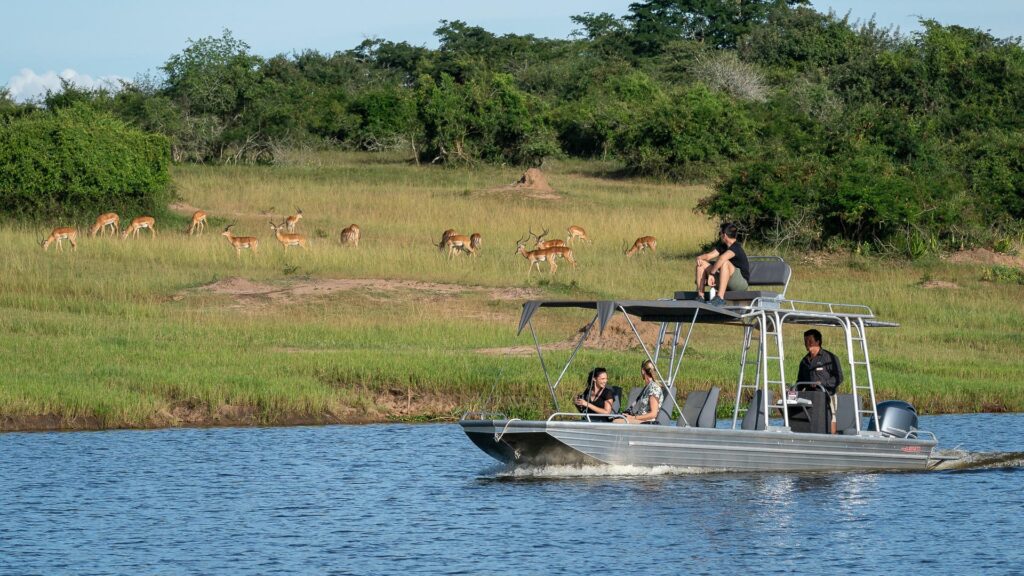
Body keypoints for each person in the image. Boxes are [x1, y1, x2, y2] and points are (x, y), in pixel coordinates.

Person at [796, 329, 844, 433]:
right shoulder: (804, 361)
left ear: (818, 342)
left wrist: (822, 384)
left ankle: (831, 441)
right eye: (805, 341)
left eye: (810, 341)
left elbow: (839, 377)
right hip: (809, 398)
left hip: (827, 396)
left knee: (831, 418)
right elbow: (799, 381)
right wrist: (793, 390)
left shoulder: (829, 358)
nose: (807, 344)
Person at [695, 222, 751, 306]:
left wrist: (711, 274)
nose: (720, 235)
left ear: (724, 235)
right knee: (701, 264)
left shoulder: (736, 247)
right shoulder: (723, 246)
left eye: (720, 233)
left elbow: (722, 259)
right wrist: (699, 258)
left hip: (740, 283)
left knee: (725, 262)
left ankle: (720, 298)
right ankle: (700, 296)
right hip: (724, 280)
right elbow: (709, 256)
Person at [613, 360, 664, 424]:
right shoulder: (647, 387)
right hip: (641, 420)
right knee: (617, 418)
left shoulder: (654, 388)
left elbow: (653, 414)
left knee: (616, 422)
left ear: (643, 371)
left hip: (648, 422)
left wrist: (633, 418)